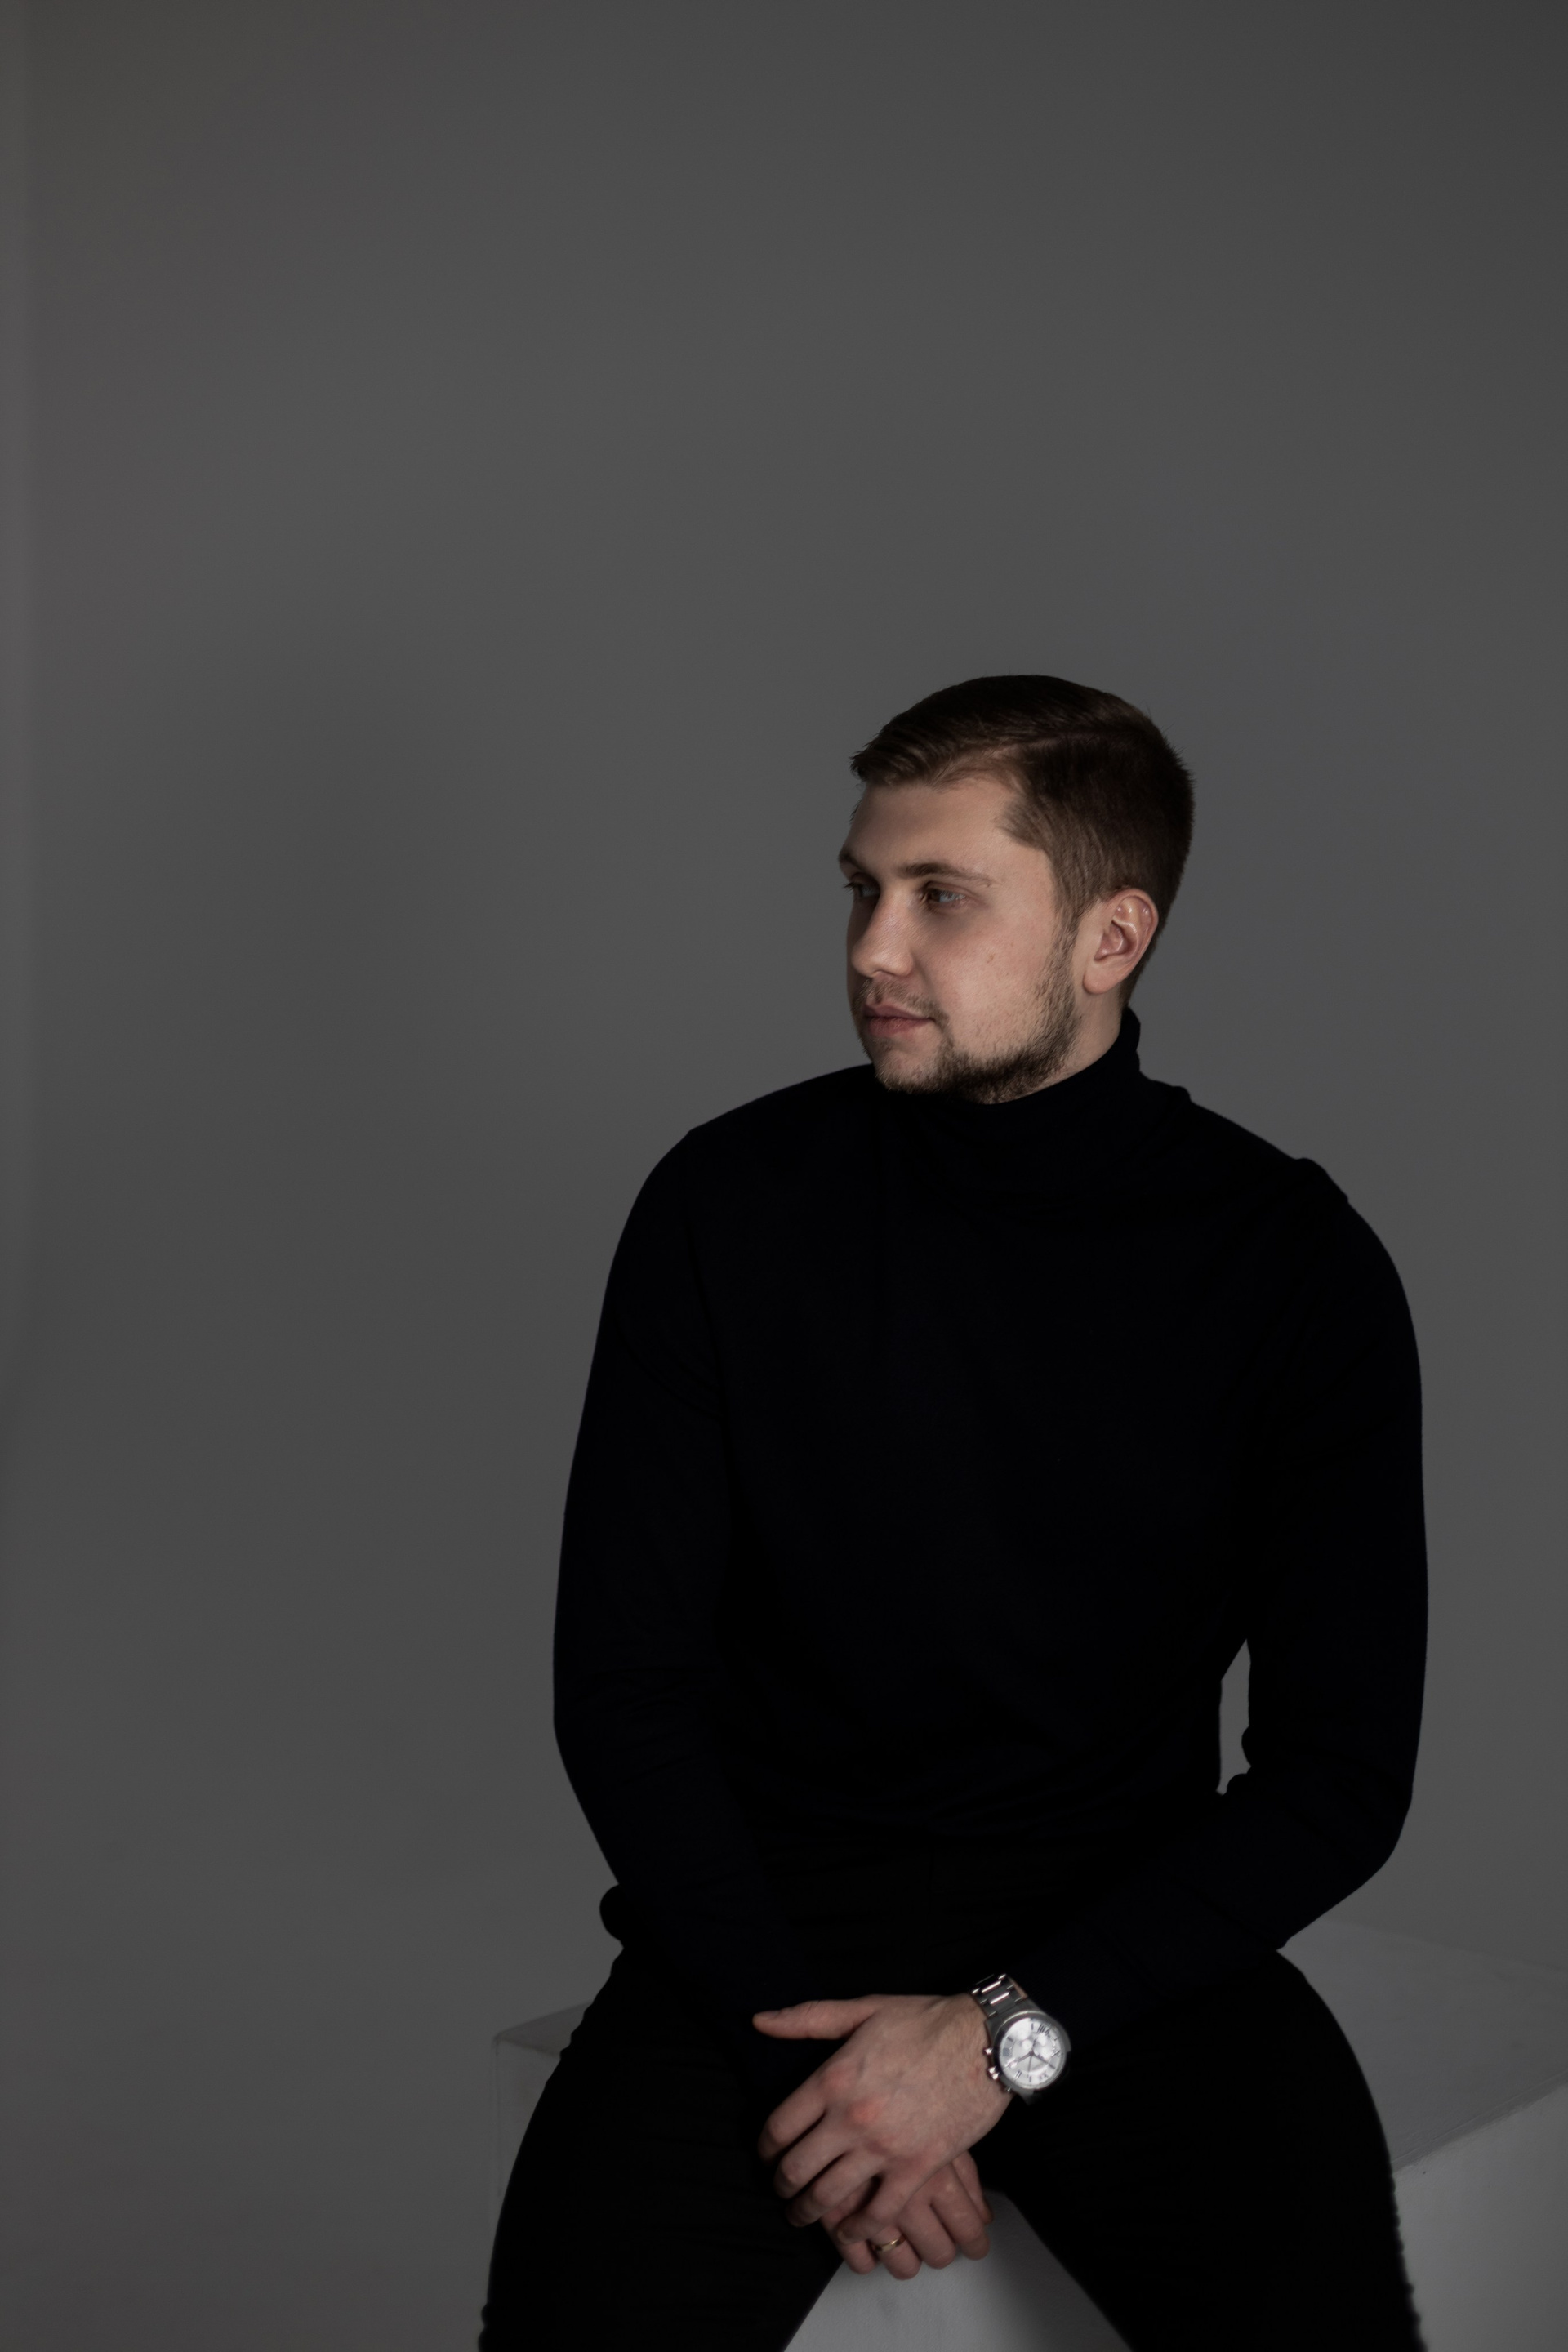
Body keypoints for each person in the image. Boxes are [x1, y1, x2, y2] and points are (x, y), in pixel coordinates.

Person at [480, 675, 1427, 2351]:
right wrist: (820, 2079)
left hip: (1126, 1953)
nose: (873, 949)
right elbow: (622, 1691)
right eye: (862, 888)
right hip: (756, 1947)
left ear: (1112, 935)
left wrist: (997, 2044)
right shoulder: (726, 1204)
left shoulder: (1292, 1268)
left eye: (942, 897)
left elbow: (1339, 1777)